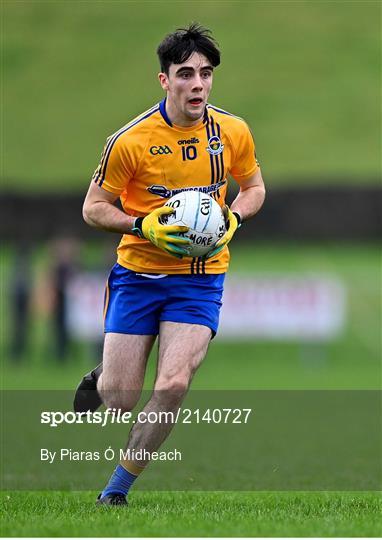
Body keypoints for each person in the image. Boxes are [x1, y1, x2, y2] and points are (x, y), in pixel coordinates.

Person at [74, 23, 265, 506]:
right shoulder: (131, 140)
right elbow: (93, 207)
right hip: (138, 274)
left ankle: (116, 491)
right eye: (185, 74)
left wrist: (233, 218)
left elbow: (255, 188)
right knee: (120, 398)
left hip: (200, 279)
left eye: (205, 74)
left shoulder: (233, 132)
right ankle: (103, 378)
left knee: (174, 383)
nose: (197, 84)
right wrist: (144, 226)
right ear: (165, 81)